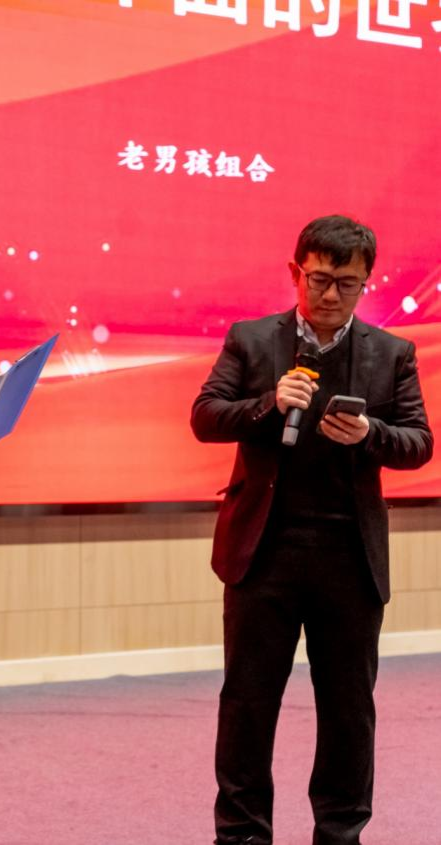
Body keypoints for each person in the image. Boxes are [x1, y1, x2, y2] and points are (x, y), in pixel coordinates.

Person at [191, 214, 432, 844]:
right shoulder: (251, 340)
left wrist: (371, 434)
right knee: (247, 706)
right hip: (262, 555)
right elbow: (206, 417)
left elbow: (419, 443)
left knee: (349, 712)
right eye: (320, 279)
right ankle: (241, 835)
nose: (330, 295)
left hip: (349, 559)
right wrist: (269, 404)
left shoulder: (392, 353)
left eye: (347, 284)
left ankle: (341, 835)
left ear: (366, 282)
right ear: (295, 272)